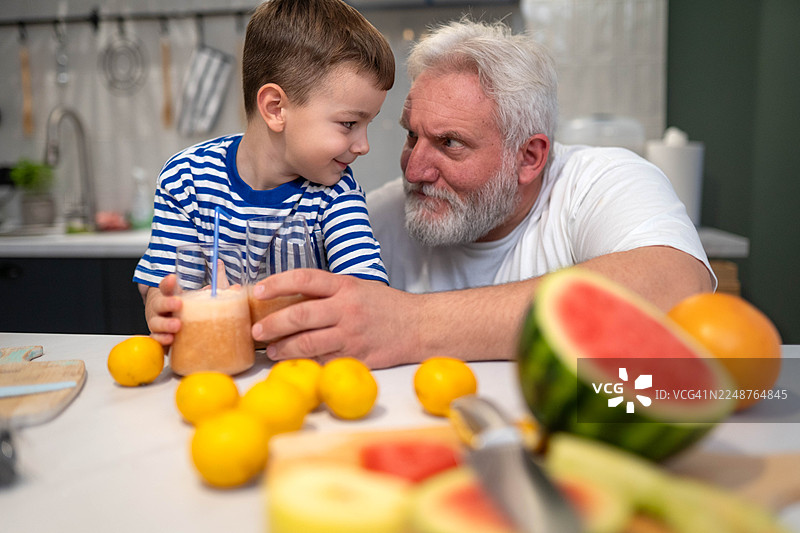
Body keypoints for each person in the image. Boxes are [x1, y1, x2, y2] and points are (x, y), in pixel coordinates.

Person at [246, 18, 716, 369]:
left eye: (450, 143)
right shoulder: (372, 218)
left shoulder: (601, 181)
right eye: (413, 135)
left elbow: (675, 289)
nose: (415, 167)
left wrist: (410, 323)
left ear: (529, 158)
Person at [136, 0, 395, 347]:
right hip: (215, 368)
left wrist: (245, 301)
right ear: (276, 108)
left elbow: (369, 298)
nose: (363, 145)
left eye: (367, 124)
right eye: (349, 123)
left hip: (301, 372)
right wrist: (159, 304)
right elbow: (164, 285)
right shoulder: (186, 180)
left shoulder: (337, 193)